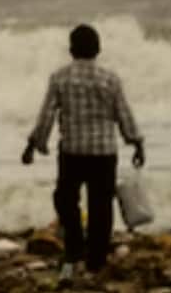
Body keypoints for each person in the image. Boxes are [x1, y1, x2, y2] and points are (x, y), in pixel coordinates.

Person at [23, 24, 146, 281]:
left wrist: (34, 144)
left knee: (65, 200)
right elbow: (123, 114)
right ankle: (96, 260)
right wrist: (136, 142)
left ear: (71, 50)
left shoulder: (60, 77)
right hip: (104, 153)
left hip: (72, 152)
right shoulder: (110, 79)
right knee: (101, 206)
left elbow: (46, 115)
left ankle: (75, 246)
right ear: (98, 49)